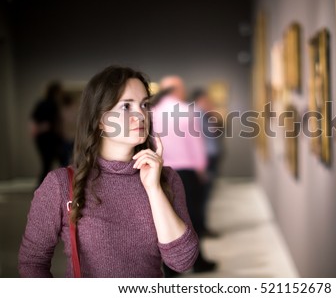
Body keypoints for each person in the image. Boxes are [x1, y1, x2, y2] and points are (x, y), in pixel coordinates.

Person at [19, 65, 199, 277]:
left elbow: (182, 261)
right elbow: (33, 263)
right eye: (126, 107)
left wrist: (154, 189)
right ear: (101, 120)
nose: (141, 115)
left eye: (144, 105)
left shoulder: (166, 178)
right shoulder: (60, 184)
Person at [152, 75, 217, 275]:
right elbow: (196, 144)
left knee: (165, 218)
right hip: (187, 172)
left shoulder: (152, 112)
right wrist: (201, 169)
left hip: (160, 171)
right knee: (192, 216)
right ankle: (198, 261)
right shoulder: (185, 111)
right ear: (177, 90)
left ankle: (171, 268)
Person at [191, 88, 225, 237]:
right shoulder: (196, 114)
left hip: (208, 158)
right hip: (205, 160)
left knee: (206, 194)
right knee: (203, 195)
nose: (209, 103)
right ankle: (201, 228)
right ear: (200, 100)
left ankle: (202, 226)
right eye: (206, 100)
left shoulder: (203, 114)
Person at [30, 81, 64, 186]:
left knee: (48, 164)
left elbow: (33, 121)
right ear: (55, 92)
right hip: (48, 139)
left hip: (45, 138)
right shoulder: (51, 104)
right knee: (50, 163)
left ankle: (43, 187)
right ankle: (41, 188)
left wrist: (37, 130)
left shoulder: (45, 103)